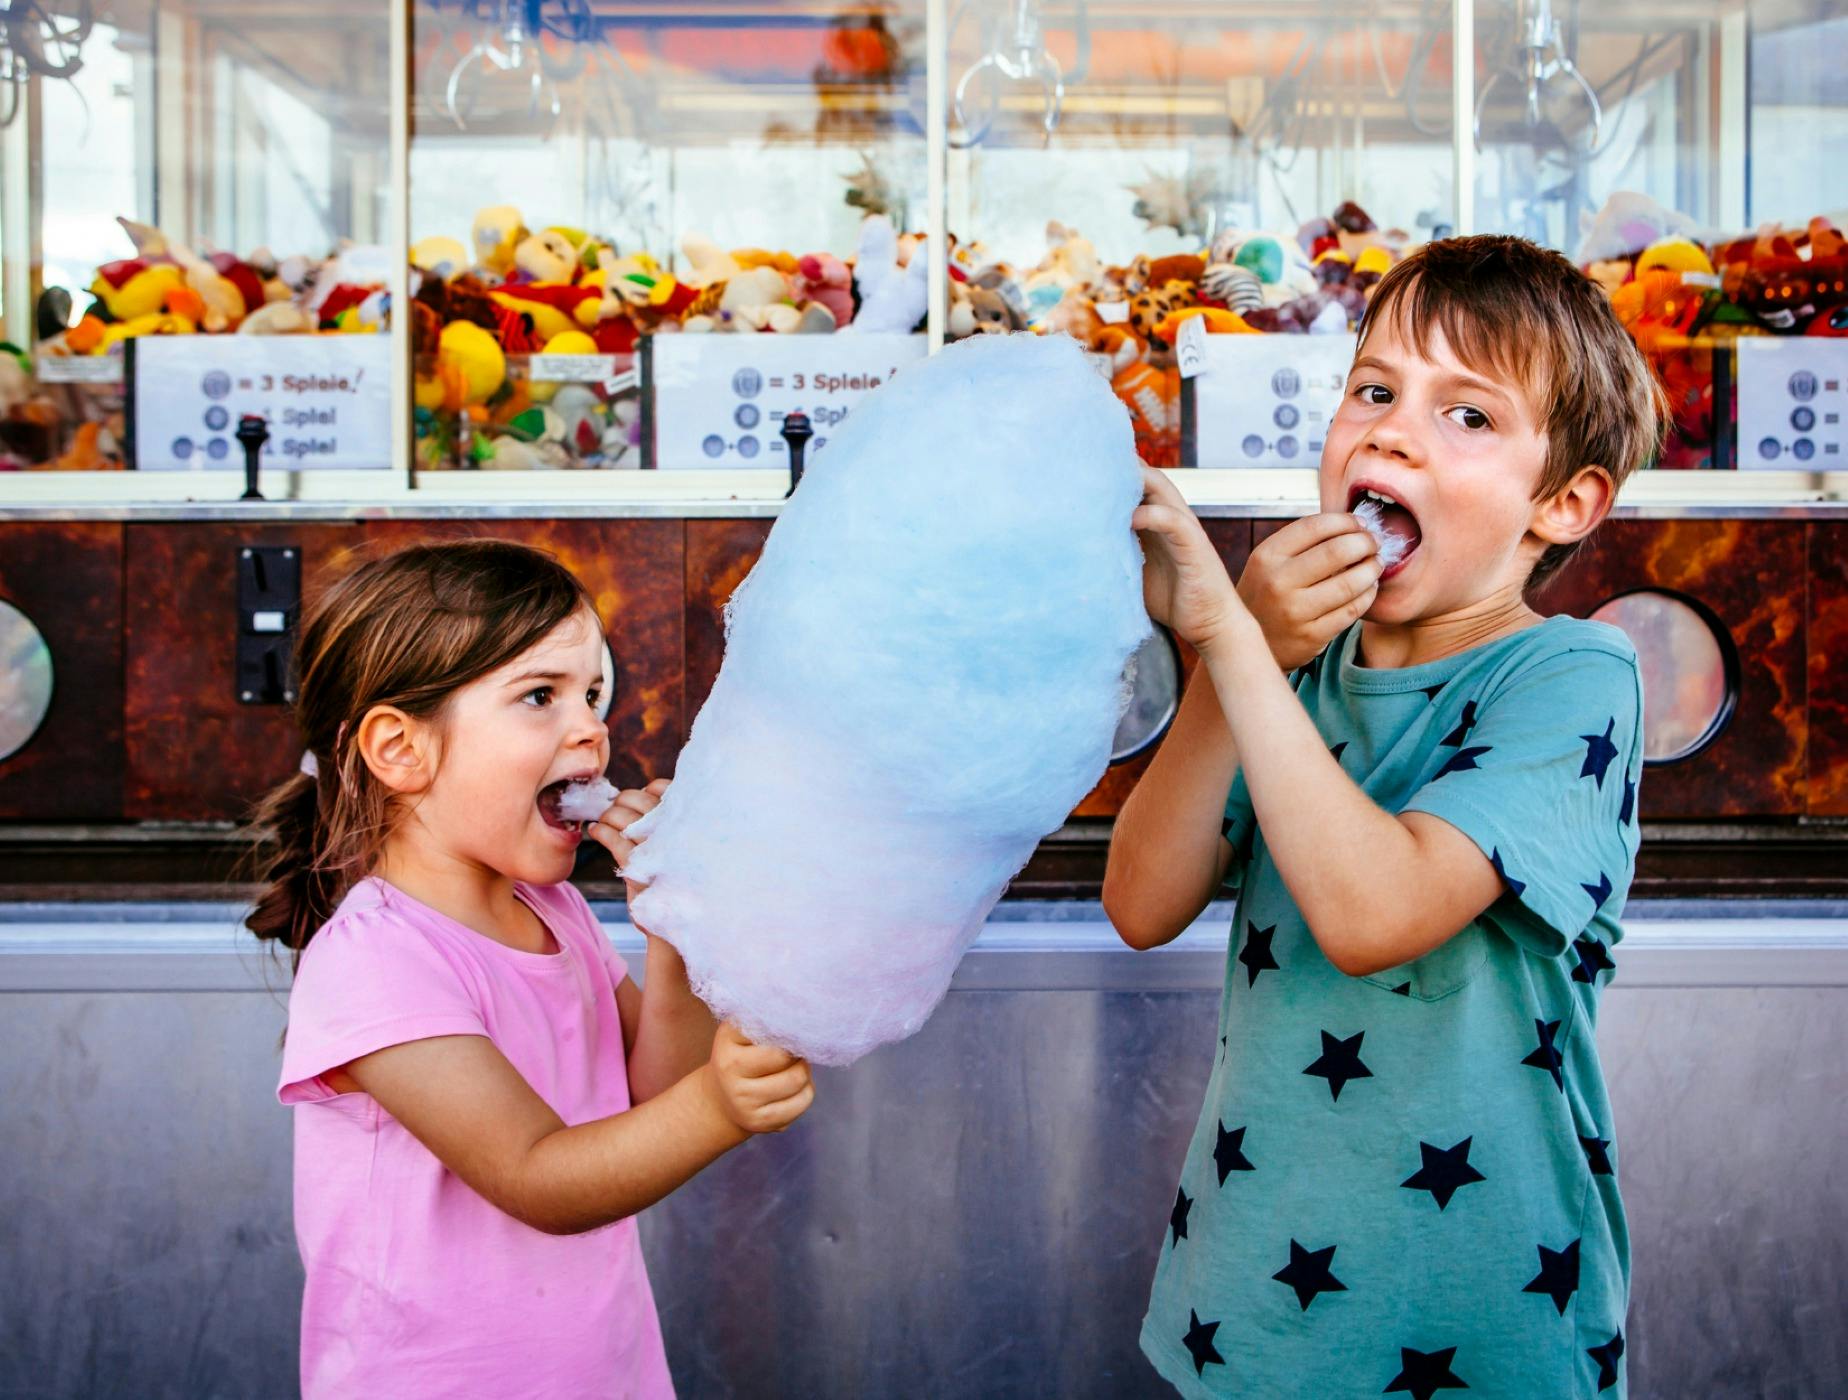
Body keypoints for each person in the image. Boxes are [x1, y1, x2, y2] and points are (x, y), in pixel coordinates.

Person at [1109, 235, 1662, 1398]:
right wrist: (1242, 657)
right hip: (1252, 1305)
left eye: (1468, 415)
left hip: (1490, 1320)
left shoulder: (1572, 677)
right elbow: (1142, 902)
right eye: (1373, 390)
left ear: (1563, 503)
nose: (1394, 433)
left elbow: (1376, 911)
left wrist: (1229, 637)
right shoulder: (1296, 671)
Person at [245, 538, 814, 1398]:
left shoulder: (557, 914)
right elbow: (538, 1176)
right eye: (540, 696)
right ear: (400, 750)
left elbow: (647, 1103)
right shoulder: (377, 960)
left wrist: (674, 931)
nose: (591, 727)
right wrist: (720, 1106)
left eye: (591, 692)